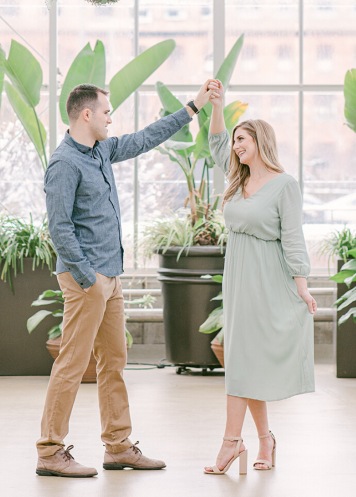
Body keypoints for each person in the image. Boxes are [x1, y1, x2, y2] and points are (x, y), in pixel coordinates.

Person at [36, 78, 214, 478]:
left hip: (110, 275)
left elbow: (147, 137)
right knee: (72, 363)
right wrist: (87, 277)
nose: (111, 118)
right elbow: (59, 228)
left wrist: (193, 107)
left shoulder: (101, 151)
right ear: (87, 114)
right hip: (87, 279)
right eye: (106, 111)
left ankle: (118, 446)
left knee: (114, 361)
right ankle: (49, 450)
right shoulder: (64, 163)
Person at [203, 79, 316, 476]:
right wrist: (217, 105)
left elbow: (293, 237)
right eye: (235, 140)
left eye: (243, 139)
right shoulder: (238, 180)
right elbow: (216, 143)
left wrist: (301, 284)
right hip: (238, 279)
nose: (236, 145)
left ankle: (232, 442)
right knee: (242, 360)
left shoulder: (284, 185)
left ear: (261, 141)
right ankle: (263, 439)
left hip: (268, 279)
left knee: (244, 362)